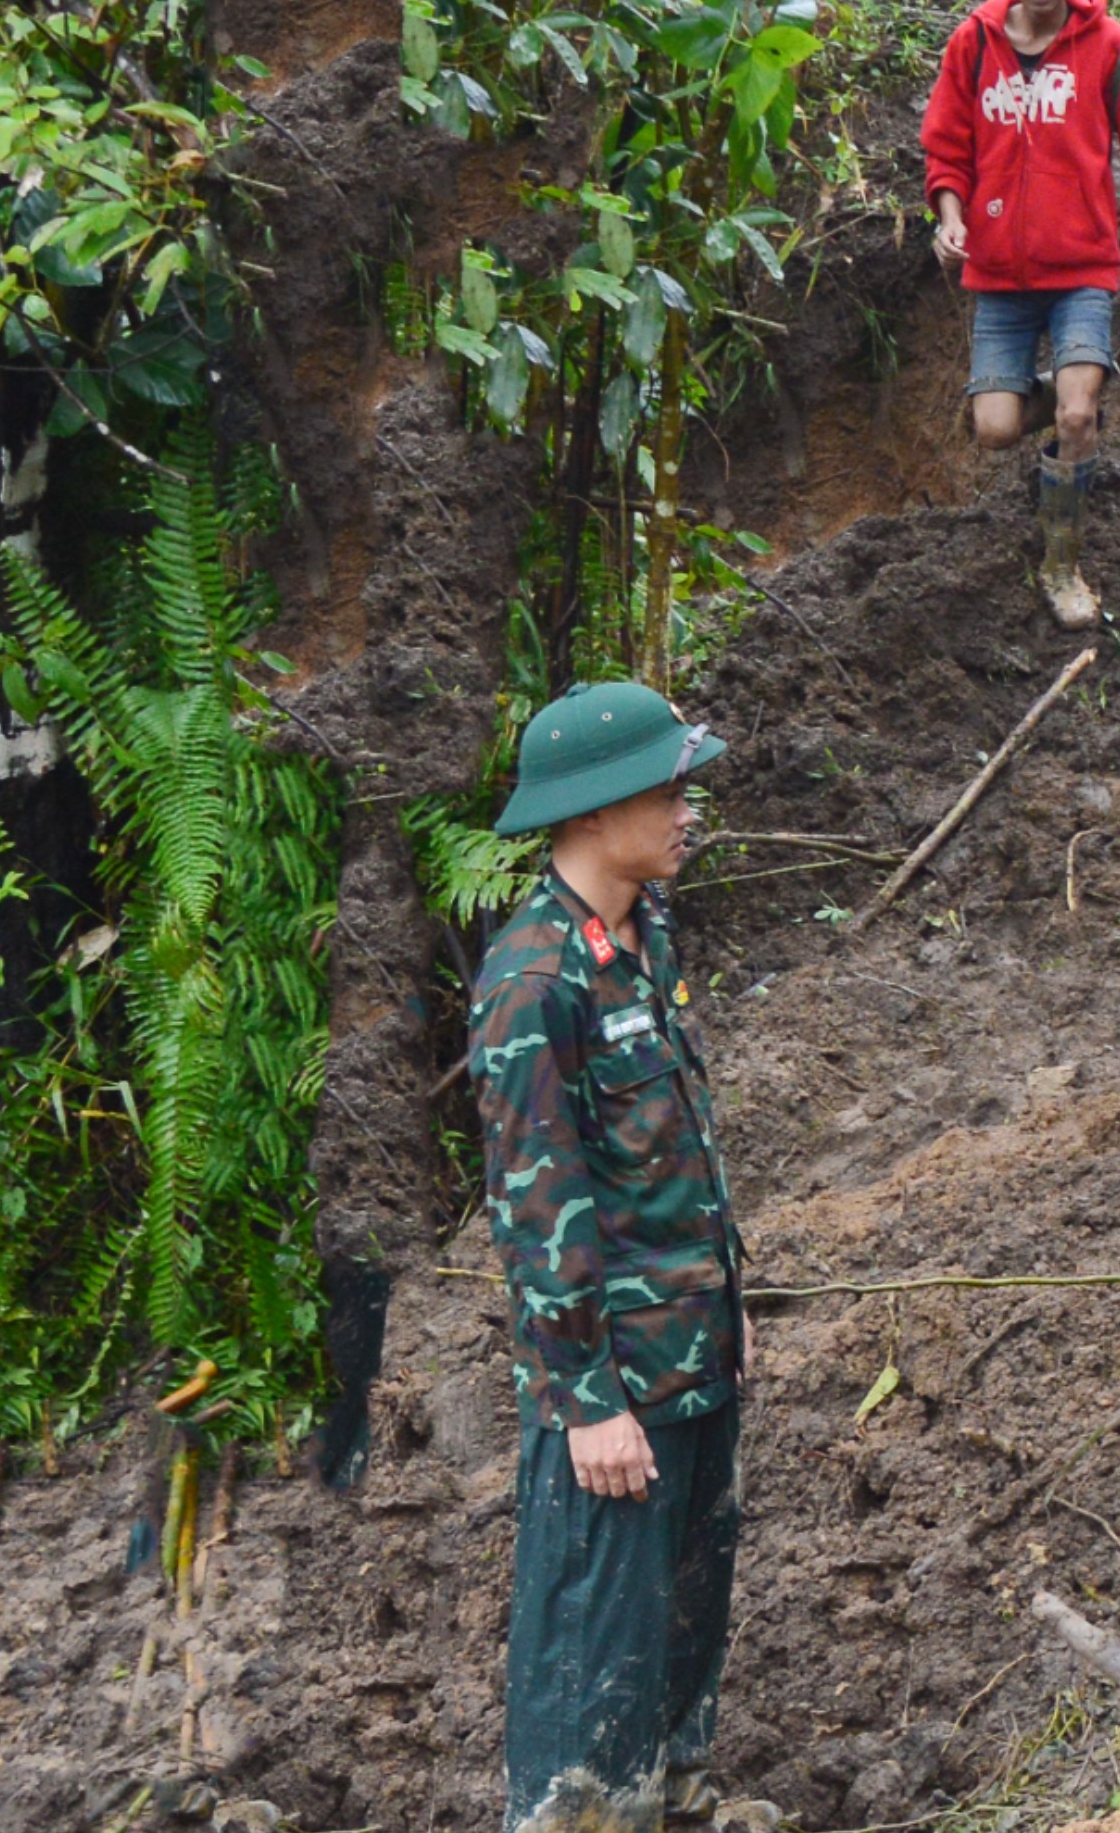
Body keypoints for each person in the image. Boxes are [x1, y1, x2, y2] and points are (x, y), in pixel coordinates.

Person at [472, 681, 745, 1833]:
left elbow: (671, 1150)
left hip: (693, 1351)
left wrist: (733, 1306)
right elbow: (542, 1210)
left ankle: (674, 1802)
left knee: (681, 1623)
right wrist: (586, 1401)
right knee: (590, 1648)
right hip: (614, 1385)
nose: (691, 810)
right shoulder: (536, 981)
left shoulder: (644, 936)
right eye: (668, 788)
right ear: (590, 810)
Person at [918, 0, 1120, 626]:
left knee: (1072, 415)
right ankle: (1079, 390)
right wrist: (951, 220)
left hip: (1083, 268)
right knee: (997, 428)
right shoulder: (972, 46)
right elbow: (946, 149)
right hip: (1000, 276)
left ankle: (1062, 564)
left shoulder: (1112, 48)